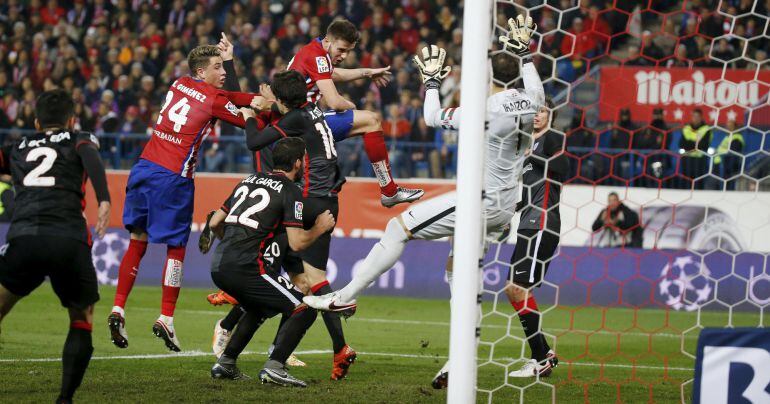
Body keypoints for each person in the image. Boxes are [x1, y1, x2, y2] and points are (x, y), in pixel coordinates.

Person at [303, 15, 544, 388]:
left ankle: (344, 297)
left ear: (489, 79)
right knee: (456, 274)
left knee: (397, 228)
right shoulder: (532, 99)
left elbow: (432, 117)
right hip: (505, 202)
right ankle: (457, 361)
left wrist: (431, 82)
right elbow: (534, 85)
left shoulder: (486, 110)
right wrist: (525, 54)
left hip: (480, 201)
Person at [108, 34, 265, 352]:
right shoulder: (214, 99)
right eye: (217, 67)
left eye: (223, 67)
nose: (222, 73)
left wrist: (232, 73)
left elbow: (226, 95)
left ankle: (118, 309)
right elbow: (246, 112)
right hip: (174, 178)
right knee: (176, 248)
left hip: (143, 168)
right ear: (201, 72)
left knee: (138, 239)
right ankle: (166, 317)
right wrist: (261, 105)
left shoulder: (179, 83)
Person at [239, 70, 358, 380]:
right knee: (308, 281)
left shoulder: (294, 119)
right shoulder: (312, 110)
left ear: (281, 100)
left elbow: (254, 142)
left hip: (309, 199)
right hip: (328, 199)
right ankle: (338, 348)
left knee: (262, 230)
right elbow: (291, 115)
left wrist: (250, 113)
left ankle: (235, 295)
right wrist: (272, 104)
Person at [0, 89, 111, 403]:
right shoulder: (79, 139)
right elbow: (90, 156)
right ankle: (64, 399)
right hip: (67, 240)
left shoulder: (16, 147)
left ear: (36, 122)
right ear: (71, 120)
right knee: (81, 317)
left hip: (24, 239)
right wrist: (104, 199)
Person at [208, 137, 336, 387]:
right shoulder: (291, 191)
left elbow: (214, 223)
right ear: (298, 163)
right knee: (305, 306)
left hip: (219, 264)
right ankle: (275, 366)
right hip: (247, 267)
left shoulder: (248, 179)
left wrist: (233, 245)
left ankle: (226, 364)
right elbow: (297, 243)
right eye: (304, 160)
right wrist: (320, 228)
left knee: (258, 308)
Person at [288, 19, 424, 207]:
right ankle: (389, 191)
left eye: (348, 51)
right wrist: (350, 105)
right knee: (371, 119)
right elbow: (335, 102)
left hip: (299, 121)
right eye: (342, 50)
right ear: (328, 41)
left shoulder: (316, 49)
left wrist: (367, 72)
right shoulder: (317, 56)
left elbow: (334, 74)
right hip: (301, 124)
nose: (344, 56)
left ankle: (388, 191)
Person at [505, 98, 568, 378]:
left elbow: (565, 169)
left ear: (550, 115)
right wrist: (514, 207)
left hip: (543, 222)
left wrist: (537, 155)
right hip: (528, 222)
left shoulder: (553, 139)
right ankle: (544, 354)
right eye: (535, 111)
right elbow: (532, 189)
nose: (538, 115)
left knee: (518, 289)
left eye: (542, 111)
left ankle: (540, 358)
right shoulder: (527, 145)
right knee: (514, 289)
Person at [678, 108, 712, 189]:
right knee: (686, 183)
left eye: (697, 116)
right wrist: (696, 143)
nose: (695, 118)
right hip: (687, 159)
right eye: (694, 116)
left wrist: (689, 143)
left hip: (699, 160)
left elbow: (704, 145)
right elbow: (681, 144)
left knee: (699, 183)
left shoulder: (706, 129)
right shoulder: (687, 128)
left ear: (701, 117)